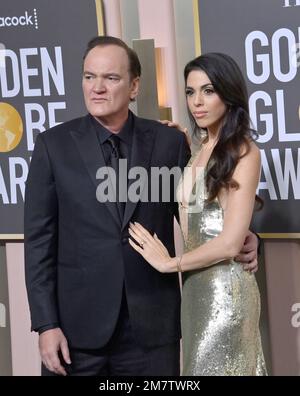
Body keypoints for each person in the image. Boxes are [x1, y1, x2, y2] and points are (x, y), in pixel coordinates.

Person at [24, 37, 259, 376]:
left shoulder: (168, 142)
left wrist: (249, 236)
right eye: (89, 77)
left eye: (111, 78)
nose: (97, 88)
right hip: (76, 333)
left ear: (134, 86)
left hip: (152, 331)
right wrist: (46, 324)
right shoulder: (53, 145)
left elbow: (196, 208)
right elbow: (39, 244)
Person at [129, 53, 267, 376]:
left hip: (225, 294)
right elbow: (198, 211)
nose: (197, 102)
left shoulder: (245, 151)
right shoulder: (200, 149)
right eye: (190, 92)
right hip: (194, 292)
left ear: (229, 94)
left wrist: (169, 263)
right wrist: (184, 148)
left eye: (208, 91)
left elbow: (231, 244)